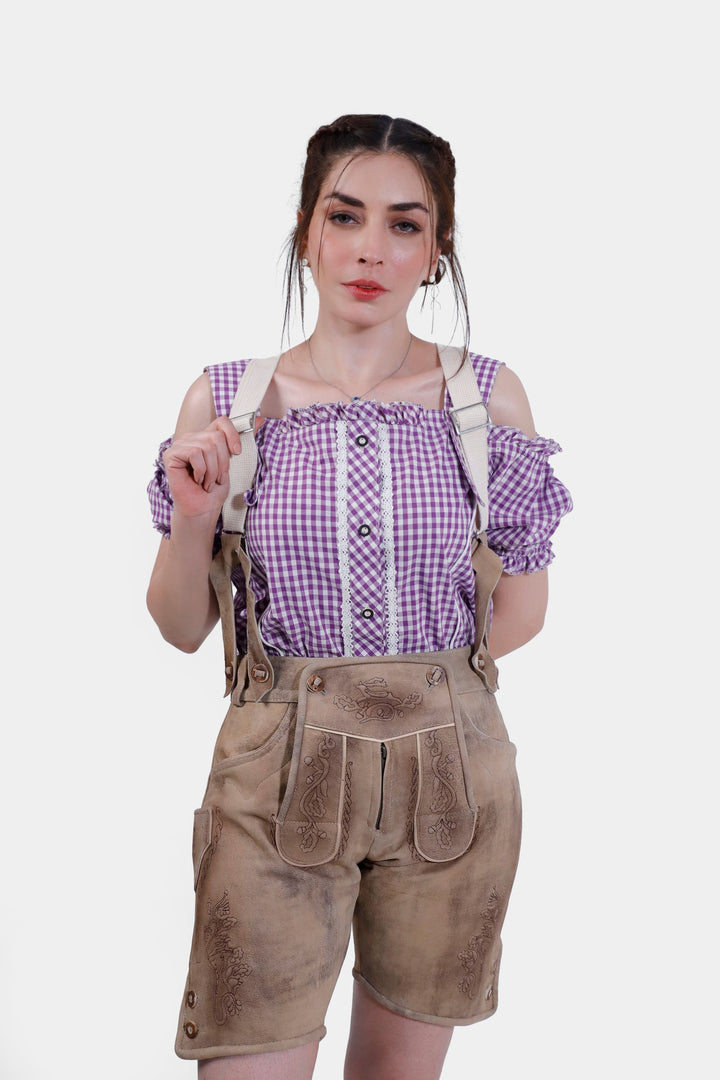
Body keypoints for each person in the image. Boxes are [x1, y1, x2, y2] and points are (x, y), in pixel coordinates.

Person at [147, 114, 572, 1080]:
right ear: (306, 230)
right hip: (273, 772)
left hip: (456, 776)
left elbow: (525, 612)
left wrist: (426, 695)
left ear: (438, 249)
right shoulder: (226, 402)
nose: (370, 249)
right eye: (345, 217)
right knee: (248, 1060)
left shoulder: (486, 402)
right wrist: (192, 516)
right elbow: (181, 629)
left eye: (404, 224)